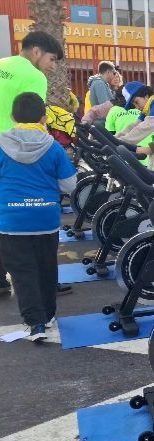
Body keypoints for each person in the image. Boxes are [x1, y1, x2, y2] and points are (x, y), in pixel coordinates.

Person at [0, 93, 77, 341]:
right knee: (46, 267)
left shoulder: (1, 145)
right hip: (45, 218)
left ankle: (35, 325)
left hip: (11, 221)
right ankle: (48, 315)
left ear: (13, 117)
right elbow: (70, 185)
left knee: (22, 273)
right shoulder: (53, 147)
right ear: (43, 118)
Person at [0, 31, 68, 297]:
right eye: (52, 59)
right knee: (30, 215)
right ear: (37, 51)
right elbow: (34, 121)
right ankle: (43, 281)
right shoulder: (33, 76)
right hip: (15, 150)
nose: (53, 67)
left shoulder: (2, 65)